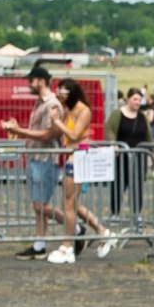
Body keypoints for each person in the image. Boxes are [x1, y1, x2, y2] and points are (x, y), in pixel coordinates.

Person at [48, 78, 112, 264]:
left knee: (69, 204)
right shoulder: (68, 110)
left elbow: (75, 134)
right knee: (71, 204)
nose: (59, 94)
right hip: (70, 158)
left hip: (78, 159)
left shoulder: (83, 110)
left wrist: (56, 121)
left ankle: (68, 246)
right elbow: (60, 133)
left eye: (63, 92)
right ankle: (102, 231)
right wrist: (56, 120)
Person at [1, 68, 63, 258]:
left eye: (31, 81)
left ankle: (75, 227)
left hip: (46, 158)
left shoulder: (52, 105)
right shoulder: (40, 103)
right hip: (37, 157)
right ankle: (39, 244)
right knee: (38, 205)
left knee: (40, 206)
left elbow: (48, 134)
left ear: (41, 81)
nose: (29, 84)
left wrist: (20, 131)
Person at [111, 85, 154, 224]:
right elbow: (110, 130)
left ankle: (136, 213)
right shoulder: (118, 114)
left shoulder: (142, 117)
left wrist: (152, 154)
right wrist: (113, 144)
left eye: (139, 100)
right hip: (121, 157)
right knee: (118, 185)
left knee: (137, 186)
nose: (137, 102)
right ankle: (115, 213)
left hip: (139, 157)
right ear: (128, 99)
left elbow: (149, 136)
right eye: (135, 99)